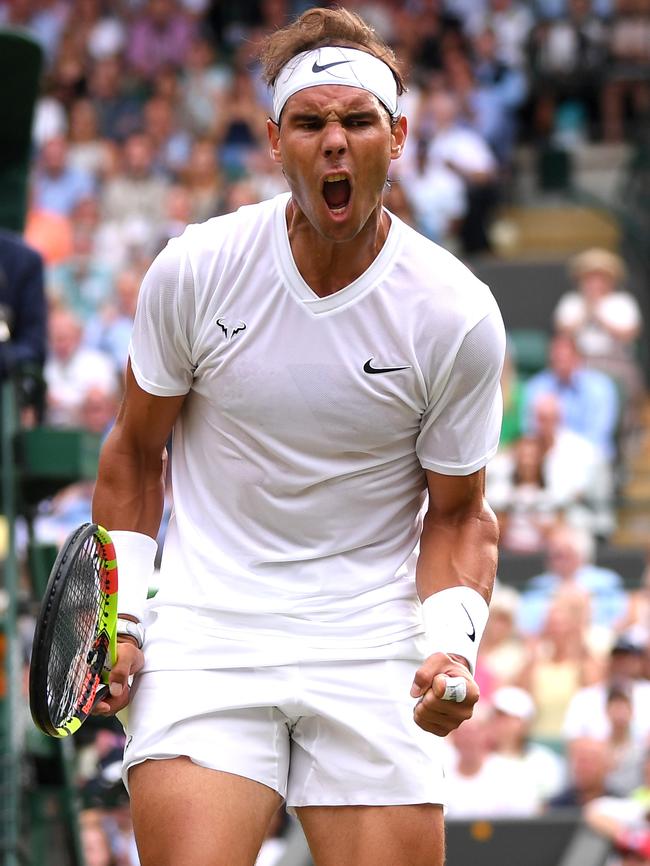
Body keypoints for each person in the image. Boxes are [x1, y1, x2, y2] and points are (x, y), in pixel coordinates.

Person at [91, 8, 505, 866]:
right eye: (311, 122)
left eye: (357, 121)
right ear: (276, 141)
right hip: (209, 631)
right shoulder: (196, 269)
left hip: (371, 643)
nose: (335, 143)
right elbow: (135, 454)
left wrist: (448, 647)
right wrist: (122, 618)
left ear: (397, 136)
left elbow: (460, 514)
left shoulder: (456, 313)